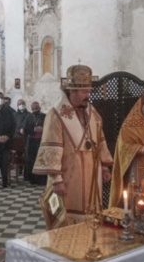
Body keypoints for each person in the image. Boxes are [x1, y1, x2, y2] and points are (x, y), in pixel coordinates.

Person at [33, 64, 113, 222]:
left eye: (89, 91)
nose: (88, 95)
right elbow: (51, 150)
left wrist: (104, 166)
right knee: (66, 221)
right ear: (71, 91)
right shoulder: (56, 115)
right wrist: (56, 180)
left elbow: (100, 140)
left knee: (91, 218)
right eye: (84, 91)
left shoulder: (92, 112)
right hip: (68, 180)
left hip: (92, 176)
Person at [23, 101, 47, 185]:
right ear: (31, 108)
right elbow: (25, 129)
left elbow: (49, 127)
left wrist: (43, 129)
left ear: (40, 108)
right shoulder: (28, 117)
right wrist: (34, 129)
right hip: (31, 142)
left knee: (42, 160)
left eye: (36, 108)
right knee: (31, 160)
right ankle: (32, 179)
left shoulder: (45, 116)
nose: (35, 110)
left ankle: (42, 180)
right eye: (33, 108)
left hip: (42, 141)